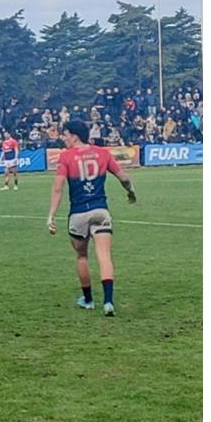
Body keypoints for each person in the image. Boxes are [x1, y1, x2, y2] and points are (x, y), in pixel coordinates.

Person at [47, 120, 138, 317]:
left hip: (78, 213)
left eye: (66, 134)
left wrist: (51, 215)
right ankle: (108, 302)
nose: (64, 138)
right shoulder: (102, 153)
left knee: (82, 256)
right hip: (100, 211)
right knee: (104, 255)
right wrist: (131, 192)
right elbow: (123, 178)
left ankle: (88, 300)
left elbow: (58, 188)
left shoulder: (66, 156)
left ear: (74, 136)